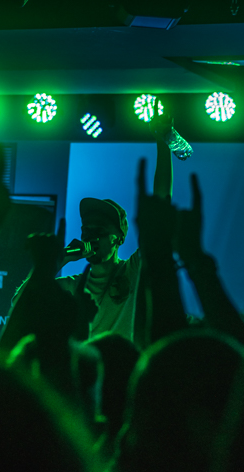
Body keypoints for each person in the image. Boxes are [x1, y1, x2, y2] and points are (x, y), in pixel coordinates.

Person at [28, 116, 176, 343]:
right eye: (86, 230)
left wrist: (162, 143)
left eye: (99, 229)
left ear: (119, 238)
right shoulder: (72, 286)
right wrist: (57, 261)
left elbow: (159, 212)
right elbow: (22, 306)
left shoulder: (132, 271)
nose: (91, 235)